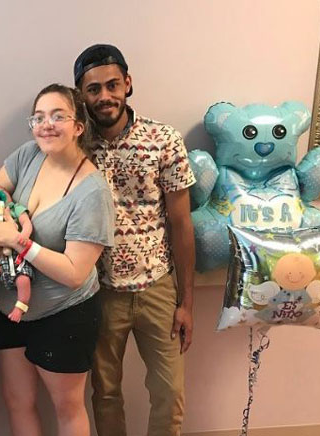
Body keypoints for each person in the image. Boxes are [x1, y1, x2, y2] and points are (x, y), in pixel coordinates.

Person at [73, 44, 196, 436]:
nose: (104, 96)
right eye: (93, 89)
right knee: (105, 392)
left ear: (127, 83)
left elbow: (182, 224)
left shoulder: (164, 139)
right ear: (81, 95)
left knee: (169, 392)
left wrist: (186, 302)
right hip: (99, 290)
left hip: (157, 286)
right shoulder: (73, 145)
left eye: (112, 85)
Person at [0, 83, 115, 436]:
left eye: (58, 116)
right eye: (38, 118)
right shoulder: (29, 154)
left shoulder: (93, 192)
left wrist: (18, 241)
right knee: (17, 402)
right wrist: (4, 210)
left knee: (67, 408)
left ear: (79, 126)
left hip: (63, 313)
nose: (46, 125)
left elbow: (74, 273)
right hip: (11, 308)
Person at [0, 189, 34, 322]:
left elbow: (26, 223)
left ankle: (20, 307)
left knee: (23, 279)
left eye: (1, 189)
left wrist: (24, 235)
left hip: (17, 252)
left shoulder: (15, 208)